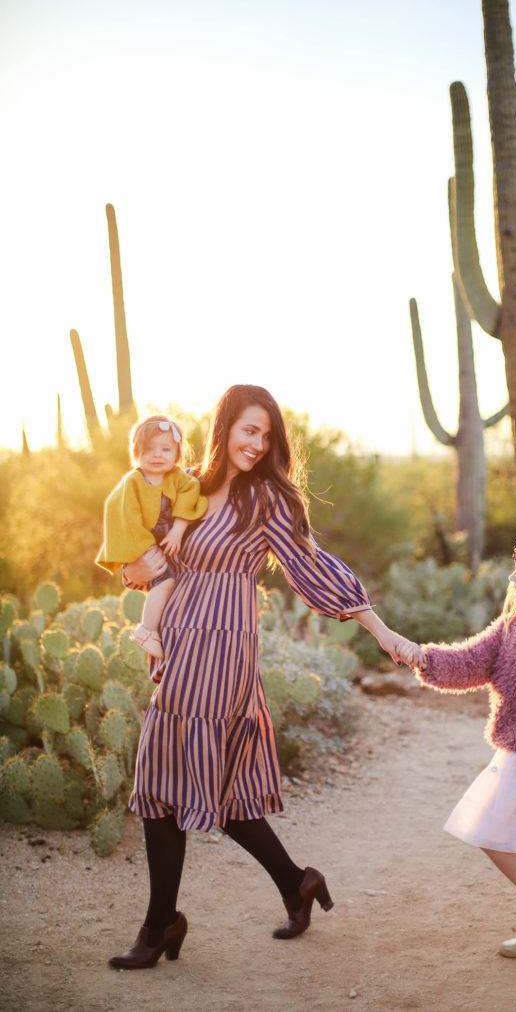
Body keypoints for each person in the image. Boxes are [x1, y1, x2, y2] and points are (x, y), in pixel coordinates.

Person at [108, 384, 421, 970]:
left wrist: (384, 634)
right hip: (179, 640)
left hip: (223, 645)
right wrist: (134, 566)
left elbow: (313, 564)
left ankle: (157, 928)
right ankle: (294, 883)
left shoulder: (266, 501)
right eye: (249, 430)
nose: (256, 444)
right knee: (210, 784)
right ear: (223, 426)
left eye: (267, 435)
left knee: (162, 778)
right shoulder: (187, 485)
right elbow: (151, 556)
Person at [403, 534, 516, 958]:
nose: (512, 576)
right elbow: (469, 662)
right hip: (514, 755)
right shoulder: (512, 626)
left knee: (491, 833)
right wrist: (422, 657)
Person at [96, 415, 208, 660]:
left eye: (166, 449)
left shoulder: (178, 478)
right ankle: (147, 631)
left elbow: (191, 493)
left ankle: (159, 631)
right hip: (140, 546)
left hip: (166, 542)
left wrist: (179, 529)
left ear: (177, 454)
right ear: (137, 452)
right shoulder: (133, 482)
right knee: (165, 581)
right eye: (149, 449)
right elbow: (127, 518)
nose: (158, 455)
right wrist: (146, 550)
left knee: (171, 583)